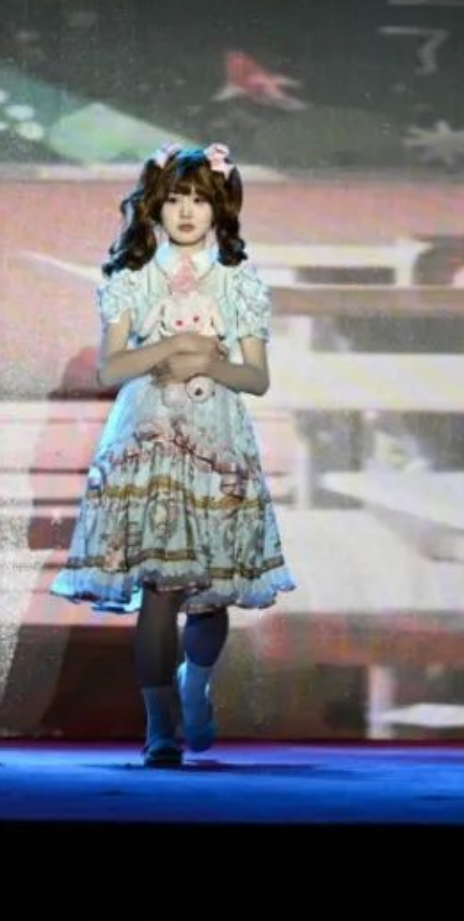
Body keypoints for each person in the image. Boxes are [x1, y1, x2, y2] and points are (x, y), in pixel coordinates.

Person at [50, 142, 294, 766]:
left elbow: (257, 377)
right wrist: (166, 351)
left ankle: (195, 682)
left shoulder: (238, 278)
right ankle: (158, 728)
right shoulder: (133, 275)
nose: (187, 212)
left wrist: (207, 362)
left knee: (209, 594)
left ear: (220, 209)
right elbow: (111, 367)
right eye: (176, 199)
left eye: (200, 200)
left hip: (216, 442)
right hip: (149, 438)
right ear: (156, 205)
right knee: (159, 586)